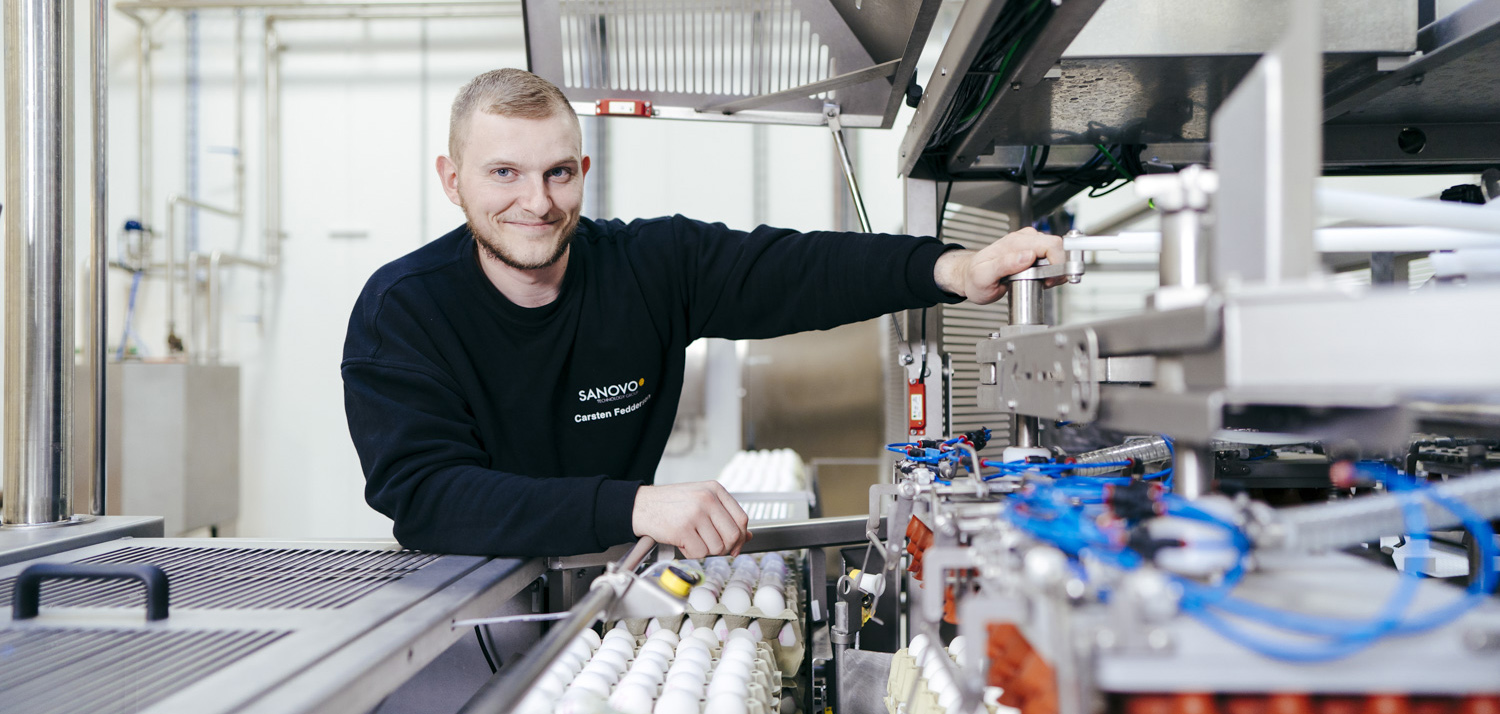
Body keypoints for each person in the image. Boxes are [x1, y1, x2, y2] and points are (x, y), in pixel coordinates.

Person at [341, 68, 1064, 559]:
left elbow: (795, 269)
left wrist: (952, 268)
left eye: (558, 172)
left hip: (608, 591)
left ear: (582, 173)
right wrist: (634, 506)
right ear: (452, 179)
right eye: (504, 173)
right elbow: (427, 495)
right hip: (463, 610)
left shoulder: (646, 268)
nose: (536, 202)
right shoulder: (403, 310)